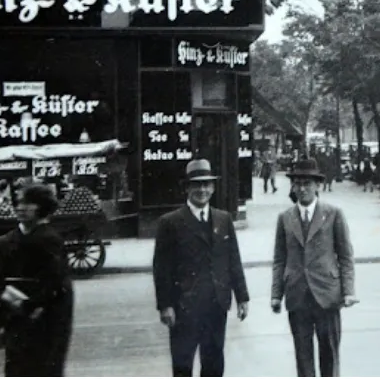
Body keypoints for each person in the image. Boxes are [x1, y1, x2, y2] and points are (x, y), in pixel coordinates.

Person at [152, 159, 249, 377]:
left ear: (213, 187)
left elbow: (233, 260)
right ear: (187, 188)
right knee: (183, 363)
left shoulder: (223, 219)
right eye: (196, 185)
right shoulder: (170, 222)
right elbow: (162, 268)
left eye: (206, 184)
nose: (202, 190)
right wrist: (165, 305)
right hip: (184, 307)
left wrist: (242, 297)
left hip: (216, 304)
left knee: (214, 363)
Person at [270, 159, 357, 377]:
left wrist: (348, 291)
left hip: (327, 295)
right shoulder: (285, 218)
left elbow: (345, 256)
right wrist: (276, 295)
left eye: (307, 183)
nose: (302, 188)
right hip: (297, 295)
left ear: (318, 185)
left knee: (329, 353)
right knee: (303, 356)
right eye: (298, 184)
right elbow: (279, 259)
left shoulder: (333, 214)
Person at [0, 183, 74, 376]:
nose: (21, 207)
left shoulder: (52, 242)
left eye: (29, 203)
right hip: (17, 320)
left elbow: (56, 286)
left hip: (46, 323)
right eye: (20, 202)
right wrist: (21, 305)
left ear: (43, 207)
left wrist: (23, 303)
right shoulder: (3, 244)